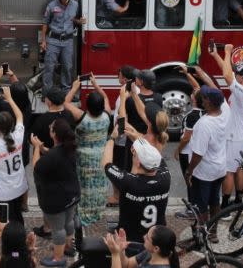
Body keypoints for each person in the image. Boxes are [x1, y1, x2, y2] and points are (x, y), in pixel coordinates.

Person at [102, 125, 169, 251]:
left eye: (135, 154)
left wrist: (112, 138)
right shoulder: (165, 178)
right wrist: (137, 138)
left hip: (130, 241)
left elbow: (106, 164)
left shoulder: (128, 182)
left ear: (138, 162)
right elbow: (157, 157)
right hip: (155, 240)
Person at [210, 43, 243, 209]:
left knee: (229, 171)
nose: (235, 75)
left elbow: (228, 75)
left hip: (234, 137)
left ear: (242, 78)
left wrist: (228, 52)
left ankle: (225, 206)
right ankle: (239, 201)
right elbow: (228, 72)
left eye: (238, 74)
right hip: (239, 134)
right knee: (238, 168)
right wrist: (216, 55)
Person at [63, 75, 112, 227]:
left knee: (84, 186)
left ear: (87, 106)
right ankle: (96, 211)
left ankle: (83, 212)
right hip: (101, 158)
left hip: (83, 158)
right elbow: (105, 97)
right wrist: (96, 85)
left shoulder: (81, 117)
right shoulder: (106, 116)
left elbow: (65, 103)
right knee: (98, 186)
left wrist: (75, 87)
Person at [31, 118, 80, 267]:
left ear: (54, 134)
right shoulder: (70, 148)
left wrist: (36, 148)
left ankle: (58, 259)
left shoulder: (53, 157)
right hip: (72, 194)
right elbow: (55, 156)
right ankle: (68, 247)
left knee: (58, 229)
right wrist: (45, 150)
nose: (49, 128)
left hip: (56, 199)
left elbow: (36, 167)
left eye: (51, 128)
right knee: (69, 221)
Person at [181, 86, 228, 224]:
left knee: (200, 207)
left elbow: (198, 154)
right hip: (220, 168)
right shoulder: (225, 114)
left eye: (205, 97)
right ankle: (213, 233)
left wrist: (189, 171)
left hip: (204, 172)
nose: (202, 99)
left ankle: (201, 234)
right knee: (214, 202)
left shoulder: (204, 124)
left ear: (209, 102)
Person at [0, 88, 28, 224]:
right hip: (19, 186)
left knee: (5, 220)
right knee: (18, 216)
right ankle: (19, 236)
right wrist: (10, 98)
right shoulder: (18, 136)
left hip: (4, 190)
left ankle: (9, 240)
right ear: (12, 125)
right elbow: (20, 116)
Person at [40, 0, 84, 93]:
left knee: (68, 67)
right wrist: (43, 41)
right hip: (53, 40)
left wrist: (79, 21)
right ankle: (47, 93)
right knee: (49, 67)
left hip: (68, 41)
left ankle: (66, 92)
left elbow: (74, 19)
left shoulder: (75, 5)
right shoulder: (51, 5)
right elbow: (45, 23)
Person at [103, 225, 181, 268]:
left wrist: (115, 254)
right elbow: (127, 265)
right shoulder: (150, 254)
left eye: (147, 237)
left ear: (156, 248)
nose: (144, 237)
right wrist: (121, 250)